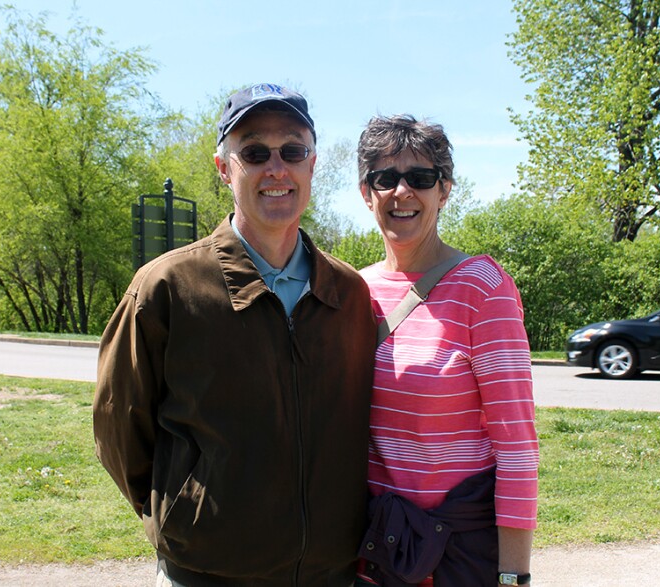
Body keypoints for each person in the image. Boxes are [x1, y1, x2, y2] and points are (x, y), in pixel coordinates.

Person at [93, 83, 377, 587]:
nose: (276, 168)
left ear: (312, 165)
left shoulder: (349, 294)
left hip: (331, 574)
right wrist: (183, 516)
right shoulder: (167, 288)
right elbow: (120, 430)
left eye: (292, 150)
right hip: (207, 573)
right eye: (254, 152)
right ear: (225, 168)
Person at [354, 115, 538, 587]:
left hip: (455, 555)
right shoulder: (354, 290)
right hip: (375, 550)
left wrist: (513, 577)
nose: (402, 191)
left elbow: (516, 447)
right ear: (365, 191)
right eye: (385, 178)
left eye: (420, 178)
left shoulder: (484, 288)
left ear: (445, 190)